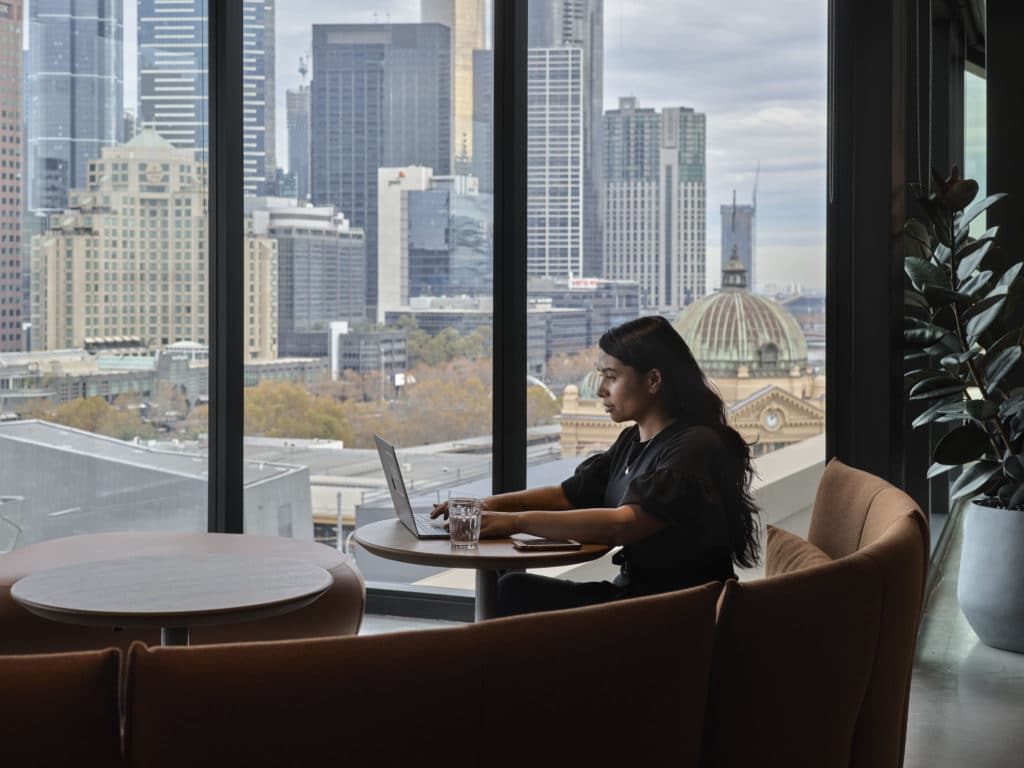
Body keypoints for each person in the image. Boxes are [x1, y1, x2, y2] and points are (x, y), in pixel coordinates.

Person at [431, 315, 761, 617]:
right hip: (638, 597)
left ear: (653, 380)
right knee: (515, 590)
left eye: (611, 377)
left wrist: (513, 522)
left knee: (513, 593)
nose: (600, 389)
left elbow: (624, 524)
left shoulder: (694, 444)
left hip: (676, 612)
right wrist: (482, 506)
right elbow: (567, 496)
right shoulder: (632, 441)